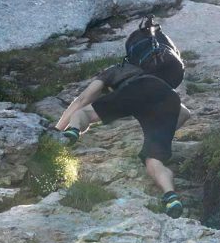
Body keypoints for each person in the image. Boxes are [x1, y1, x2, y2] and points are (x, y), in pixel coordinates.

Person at [55, 62, 191, 216]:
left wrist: (56, 130)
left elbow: (82, 100)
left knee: (83, 113)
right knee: (153, 160)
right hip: (165, 96)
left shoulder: (112, 70)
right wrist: (160, 135)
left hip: (133, 91)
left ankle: (72, 131)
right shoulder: (148, 70)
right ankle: (170, 195)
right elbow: (185, 113)